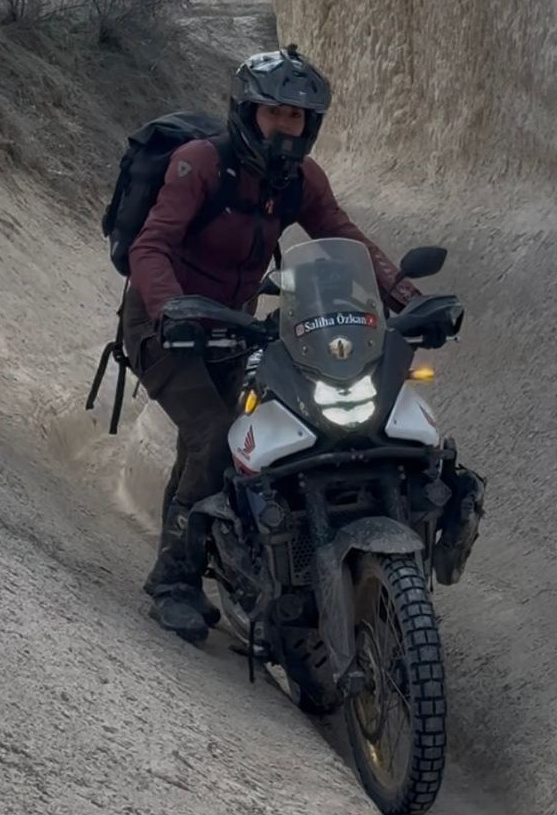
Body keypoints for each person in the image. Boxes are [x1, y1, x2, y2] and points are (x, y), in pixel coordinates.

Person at [122, 46, 424, 642]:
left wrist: (405, 295)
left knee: (261, 438)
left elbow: (343, 237)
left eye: (298, 118)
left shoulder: (302, 180)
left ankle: (258, 563)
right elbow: (149, 247)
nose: (287, 128)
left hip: (237, 324)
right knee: (212, 434)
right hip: (165, 322)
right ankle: (173, 583)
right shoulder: (198, 164)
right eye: (275, 113)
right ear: (247, 111)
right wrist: (169, 309)